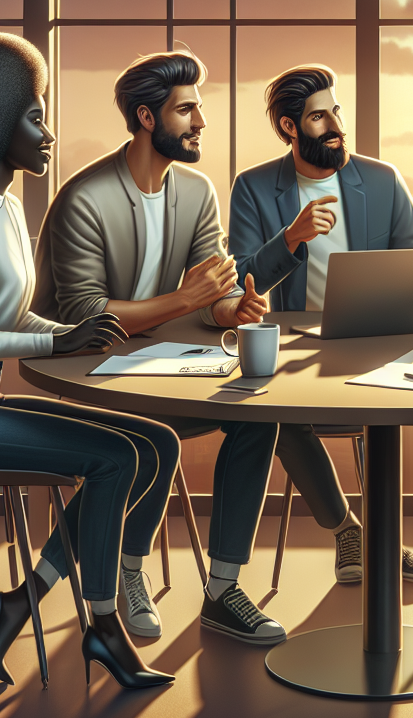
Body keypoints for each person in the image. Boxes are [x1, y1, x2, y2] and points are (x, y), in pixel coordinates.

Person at [0, 32, 175, 689]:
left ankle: (19, 602)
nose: (48, 131)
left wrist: (78, 329)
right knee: (115, 460)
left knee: (156, 444)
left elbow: (14, 316)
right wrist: (55, 344)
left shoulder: (9, 209)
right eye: (34, 116)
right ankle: (104, 630)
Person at [34, 49, 286, 645]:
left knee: (259, 413)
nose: (201, 122)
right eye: (187, 110)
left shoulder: (196, 192)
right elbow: (84, 316)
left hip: (159, 368)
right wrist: (184, 300)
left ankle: (223, 590)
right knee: (157, 438)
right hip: (88, 373)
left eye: (198, 108)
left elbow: (206, 296)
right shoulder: (85, 199)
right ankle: (127, 567)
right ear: (148, 118)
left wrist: (232, 307)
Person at [229, 64, 413, 584]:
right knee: (268, 412)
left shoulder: (382, 179)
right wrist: (290, 239)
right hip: (292, 351)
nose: (334, 125)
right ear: (289, 127)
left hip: (373, 341)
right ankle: (349, 529)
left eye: (336, 111)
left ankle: (383, 536)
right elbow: (241, 281)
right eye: (319, 116)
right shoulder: (255, 188)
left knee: (387, 404)